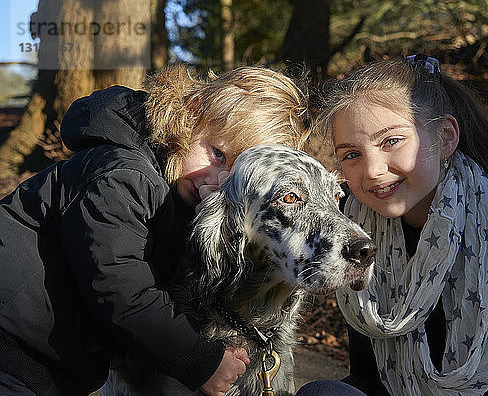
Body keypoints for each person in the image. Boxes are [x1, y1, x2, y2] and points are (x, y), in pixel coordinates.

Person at [296, 55, 488, 396]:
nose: (372, 171)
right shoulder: (362, 242)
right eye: (351, 154)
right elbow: (372, 380)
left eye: (391, 141)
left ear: (445, 137)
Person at [0, 64, 309, 396]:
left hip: (48, 357)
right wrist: (200, 361)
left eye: (233, 174)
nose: (215, 179)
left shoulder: (176, 191)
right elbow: (121, 290)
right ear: (192, 114)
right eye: (217, 154)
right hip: (11, 341)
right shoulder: (124, 175)